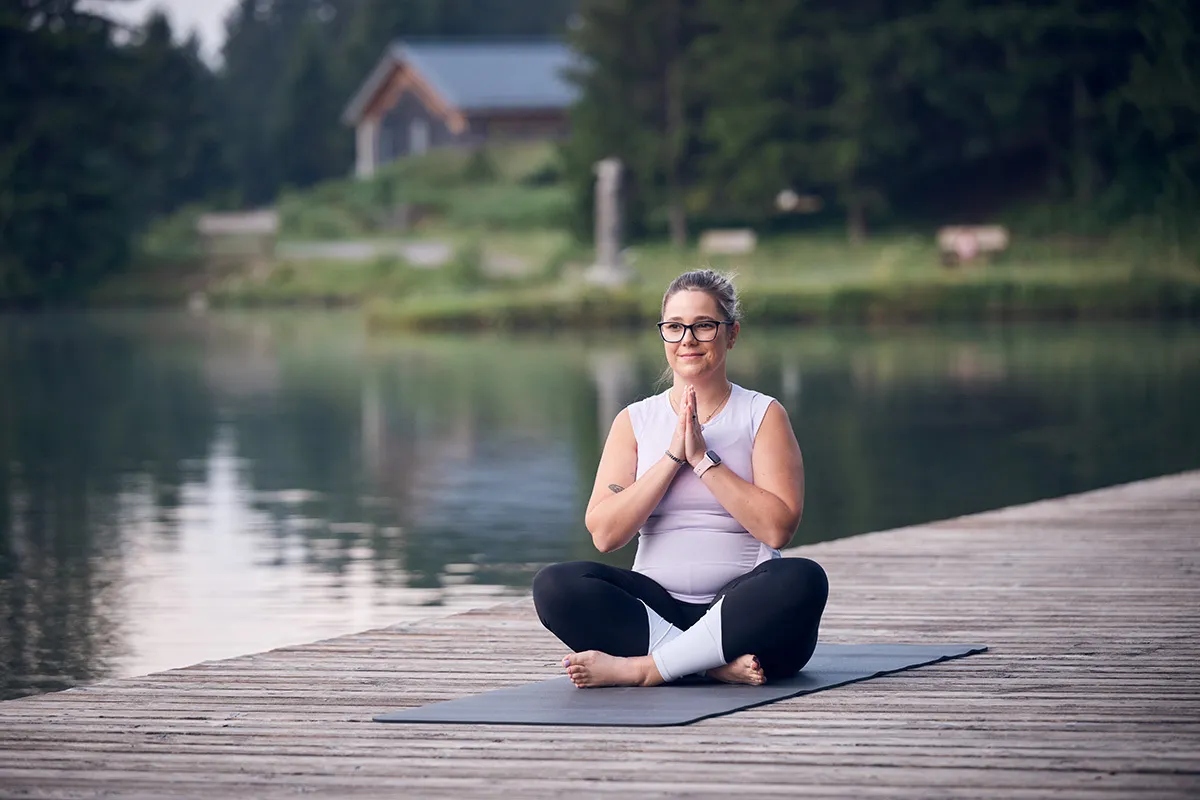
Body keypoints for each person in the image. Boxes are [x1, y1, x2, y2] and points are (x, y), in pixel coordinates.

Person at [533, 269, 828, 688]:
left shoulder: (762, 414)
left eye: (703, 325)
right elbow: (605, 534)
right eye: (674, 327)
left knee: (803, 579)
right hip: (656, 612)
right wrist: (673, 458)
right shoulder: (635, 421)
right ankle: (707, 664)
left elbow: (777, 530)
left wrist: (704, 461)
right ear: (664, 335)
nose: (687, 339)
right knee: (555, 585)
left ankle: (646, 668)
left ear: (731, 334)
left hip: (745, 615)